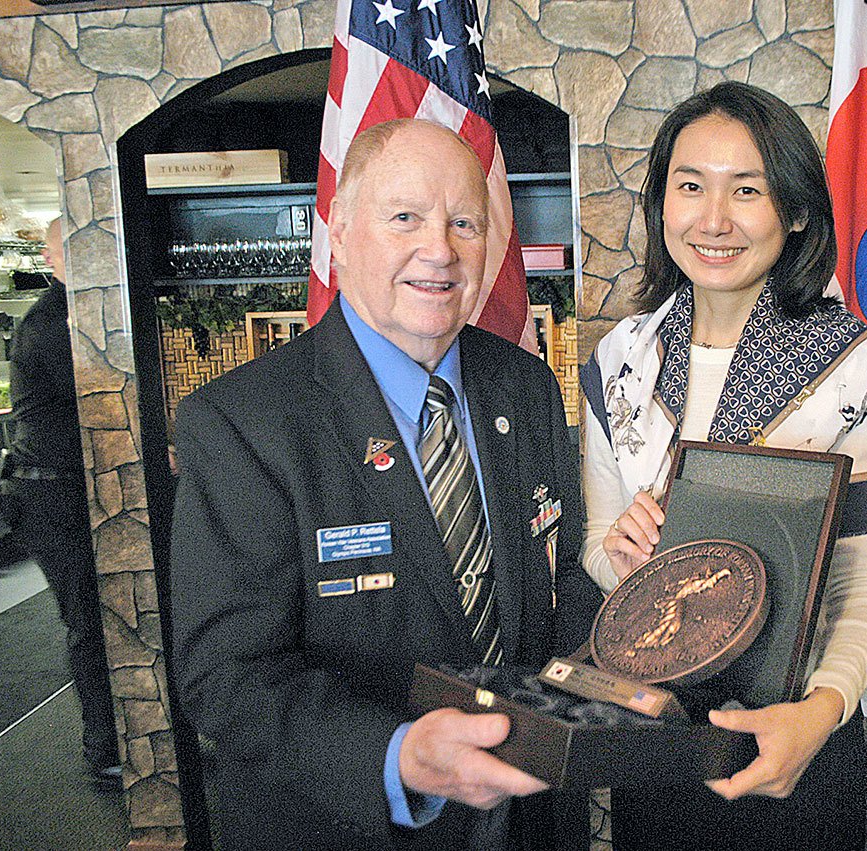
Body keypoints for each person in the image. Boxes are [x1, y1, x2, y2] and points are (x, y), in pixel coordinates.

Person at [170, 118, 600, 851]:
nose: (439, 249)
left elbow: (565, 578)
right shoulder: (240, 422)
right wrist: (399, 756)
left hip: (532, 820)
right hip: (355, 825)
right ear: (337, 231)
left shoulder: (526, 386)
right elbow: (226, 677)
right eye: (405, 217)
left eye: (465, 221)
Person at [580, 82, 867, 850]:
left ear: (797, 211)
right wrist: (623, 562)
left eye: (749, 190)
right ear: (661, 204)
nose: (713, 219)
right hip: (656, 729)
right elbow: (599, 544)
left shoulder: (852, 366)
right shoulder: (622, 361)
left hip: (798, 731)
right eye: (690, 186)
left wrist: (822, 712)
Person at [5, 217, 120, 785]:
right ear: (55, 261)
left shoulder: (78, 316)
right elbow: (102, 406)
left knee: (110, 617)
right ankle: (104, 753)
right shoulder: (53, 324)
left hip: (68, 487)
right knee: (90, 623)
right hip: (50, 494)